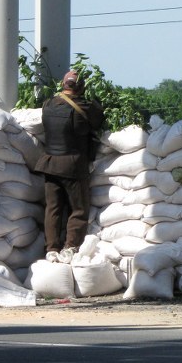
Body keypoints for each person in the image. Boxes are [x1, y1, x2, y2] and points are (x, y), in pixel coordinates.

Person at [35, 70, 104, 264]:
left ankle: (51, 249)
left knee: (53, 208)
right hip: (73, 165)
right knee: (79, 209)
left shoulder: (47, 105)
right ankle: (70, 247)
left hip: (49, 163)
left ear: (63, 85)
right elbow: (98, 120)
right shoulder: (85, 106)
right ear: (81, 87)